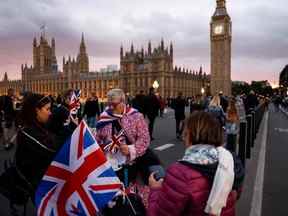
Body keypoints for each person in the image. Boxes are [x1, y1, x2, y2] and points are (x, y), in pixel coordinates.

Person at [148, 111, 244, 216]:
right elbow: (235, 195)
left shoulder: (180, 173)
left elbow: (159, 213)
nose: (184, 138)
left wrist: (155, 190)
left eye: (185, 133)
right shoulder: (229, 160)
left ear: (190, 134)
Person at [15, 94, 60, 198]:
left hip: (44, 178)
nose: (50, 113)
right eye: (47, 109)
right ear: (36, 110)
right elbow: (52, 149)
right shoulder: (27, 132)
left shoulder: (38, 125)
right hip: (37, 185)